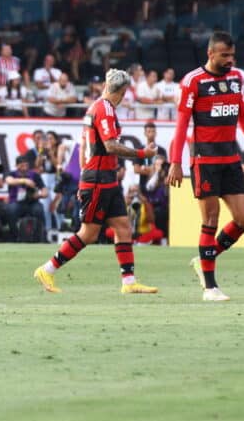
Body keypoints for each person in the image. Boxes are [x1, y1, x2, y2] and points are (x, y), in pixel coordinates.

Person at [33, 69, 160, 294]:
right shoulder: (105, 109)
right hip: (98, 181)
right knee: (88, 233)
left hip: (105, 179)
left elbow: (85, 146)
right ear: (121, 91)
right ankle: (47, 269)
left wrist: (86, 169)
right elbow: (110, 146)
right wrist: (141, 154)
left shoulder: (96, 108)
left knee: (123, 227)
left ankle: (129, 282)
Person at [168, 32, 244, 302]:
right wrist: (175, 162)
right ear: (211, 54)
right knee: (210, 220)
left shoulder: (235, 80)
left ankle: (203, 260)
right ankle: (210, 288)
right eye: (225, 56)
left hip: (230, 160)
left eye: (232, 55)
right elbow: (181, 125)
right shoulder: (193, 82)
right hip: (205, 161)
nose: (230, 60)